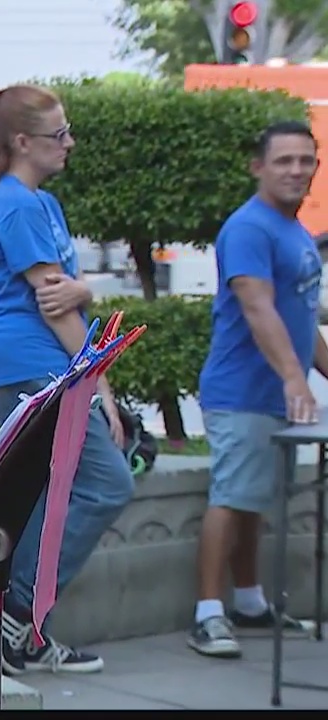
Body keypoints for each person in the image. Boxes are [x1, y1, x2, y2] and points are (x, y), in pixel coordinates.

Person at [0, 84, 135, 675]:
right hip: (29, 367)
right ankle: (18, 621)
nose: (70, 143)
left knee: (49, 495)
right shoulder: (16, 205)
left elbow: (70, 297)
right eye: (59, 134)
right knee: (107, 483)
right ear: (22, 142)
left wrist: (100, 386)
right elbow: (57, 302)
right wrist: (98, 385)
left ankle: (25, 629)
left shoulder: (42, 205)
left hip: (42, 365)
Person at [190, 120, 323, 659]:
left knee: (254, 504)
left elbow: (301, 315)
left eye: (306, 160)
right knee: (232, 497)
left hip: (275, 397)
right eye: (284, 160)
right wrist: (295, 377)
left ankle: (249, 603)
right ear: (258, 167)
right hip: (241, 393)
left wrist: (316, 372)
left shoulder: (294, 231)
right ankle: (207, 613)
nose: (296, 170)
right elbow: (257, 306)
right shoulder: (250, 228)